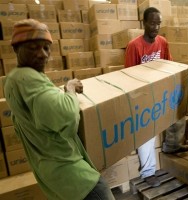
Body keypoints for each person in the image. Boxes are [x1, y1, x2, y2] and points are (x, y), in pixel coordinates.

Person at [4, 19, 115, 200]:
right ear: (16, 48)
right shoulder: (27, 77)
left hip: (55, 178)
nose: (42, 54)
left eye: (46, 48)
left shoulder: (11, 80)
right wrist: (69, 88)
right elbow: (68, 118)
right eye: (33, 47)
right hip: (76, 179)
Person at [124, 7, 188, 188]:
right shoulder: (134, 46)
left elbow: (169, 65)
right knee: (146, 130)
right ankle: (148, 172)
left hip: (161, 89)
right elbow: (129, 77)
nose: (155, 27)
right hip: (143, 93)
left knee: (179, 107)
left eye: (158, 23)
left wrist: (182, 77)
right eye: (152, 23)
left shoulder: (163, 42)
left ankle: (172, 145)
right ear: (144, 23)